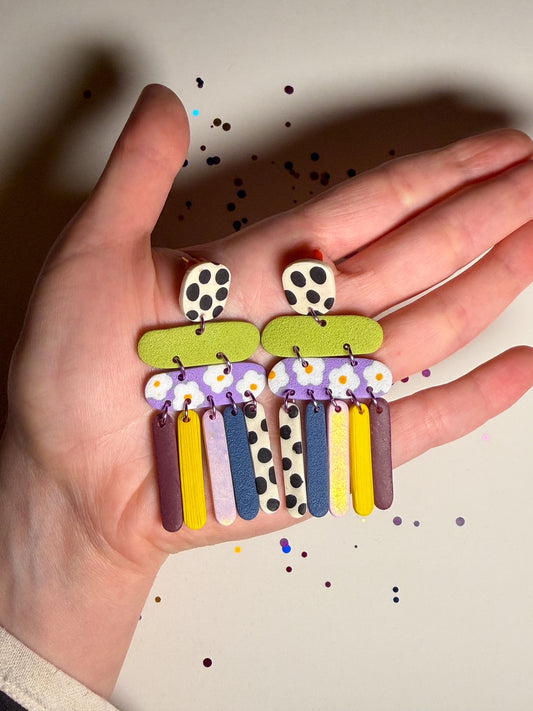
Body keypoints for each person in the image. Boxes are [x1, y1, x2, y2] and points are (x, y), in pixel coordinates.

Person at [0, 84, 532, 711]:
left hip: (299, 396)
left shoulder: (306, 346)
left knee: (311, 450)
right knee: (243, 455)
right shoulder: (227, 351)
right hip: (217, 404)